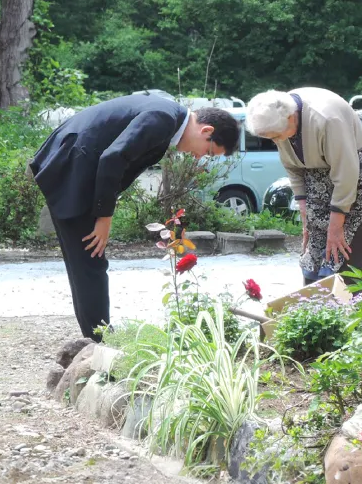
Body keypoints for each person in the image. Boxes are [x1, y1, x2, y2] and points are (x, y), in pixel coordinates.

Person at [28, 94, 240, 340]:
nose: (199, 157)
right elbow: (113, 158)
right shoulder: (163, 119)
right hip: (71, 170)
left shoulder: (167, 117)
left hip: (72, 167)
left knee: (84, 265)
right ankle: (102, 343)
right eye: (209, 151)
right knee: (90, 263)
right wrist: (103, 217)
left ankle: (95, 339)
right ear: (206, 130)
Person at [245, 88, 362, 285]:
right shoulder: (279, 117)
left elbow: (346, 172)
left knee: (342, 249)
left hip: (355, 177)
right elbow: (292, 167)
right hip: (316, 178)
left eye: (276, 136)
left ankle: (349, 310)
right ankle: (313, 311)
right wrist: (304, 212)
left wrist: (336, 225)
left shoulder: (326, 119)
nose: (276, 141)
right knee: (314, 252)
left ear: (292, 118)